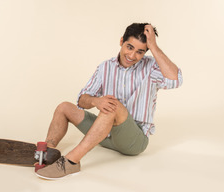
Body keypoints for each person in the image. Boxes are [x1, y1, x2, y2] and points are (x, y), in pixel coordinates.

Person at [35, 23, 183, 180]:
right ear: (121, 42)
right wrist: (96, 101)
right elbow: (82, 99)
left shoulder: (152, 67)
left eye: (140, 52)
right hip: (104, 135)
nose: (132, 56)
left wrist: (154, 47)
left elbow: (176, 80)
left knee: (113, 106)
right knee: (64, 107)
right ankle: (47, 154)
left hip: (133, 141)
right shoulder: (105, 67)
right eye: (129, 47)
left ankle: (71, 162)